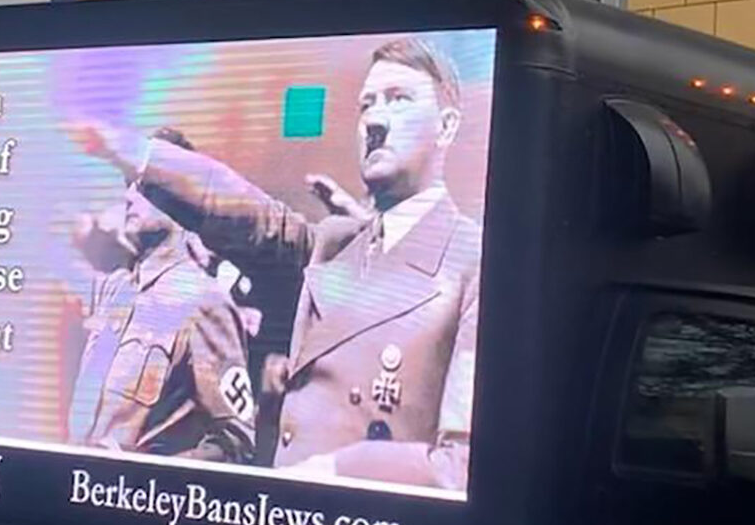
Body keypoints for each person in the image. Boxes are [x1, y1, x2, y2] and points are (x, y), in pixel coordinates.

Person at [71, 37, 479, 492]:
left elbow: (465, 465)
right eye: (367, 105)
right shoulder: (335, 245)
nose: (376, 121)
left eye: (399, 100)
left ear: (446, 126)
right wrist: (132, 153)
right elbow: (247, 212)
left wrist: (340, 468)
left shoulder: (475, 264)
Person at [67, 130, 258, 463]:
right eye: (127, 184)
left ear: (182, 195)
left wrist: (149, 475)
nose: (128, 197)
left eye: (142, 187)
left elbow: (235, 443)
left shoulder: (204, 302)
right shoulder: (117, 290)